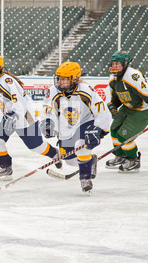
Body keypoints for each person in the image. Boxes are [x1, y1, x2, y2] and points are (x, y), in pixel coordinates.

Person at [0, 54, 61, 181]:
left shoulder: (8, 81)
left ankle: (54, 153)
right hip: (4, 118)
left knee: (36, 146)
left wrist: (14, 115)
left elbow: (20, 102)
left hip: (24, 117)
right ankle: (6, 168)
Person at [40, 61, 111, 193]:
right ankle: (91, 160)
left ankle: (85, 178)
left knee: (81, 145)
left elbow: (101, 110)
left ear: (75, 79)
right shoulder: (53, 90)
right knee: (69, 160)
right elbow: (47, 109)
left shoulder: (85, 90)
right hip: (67, 126)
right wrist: (48, 122)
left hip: (86, 122)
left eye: (65, 79)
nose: (61, 82)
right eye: (59, 78)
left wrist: (101, 130)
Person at [105, 51, 148, 172]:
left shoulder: (132, 76)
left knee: (124, 136)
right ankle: (121, 155)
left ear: (125, 64)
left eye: (118, 64)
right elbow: (117, 97)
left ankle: (133, 159)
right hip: (128, 107)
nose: (114, 66)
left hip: (141, 109)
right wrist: (114, 106)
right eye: (113, 63)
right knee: (114, 129)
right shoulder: (113, 78)